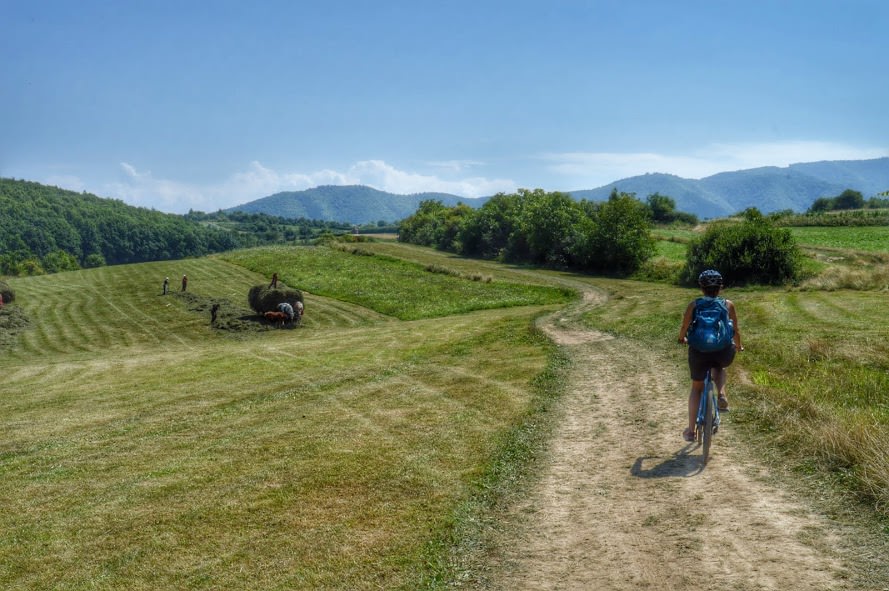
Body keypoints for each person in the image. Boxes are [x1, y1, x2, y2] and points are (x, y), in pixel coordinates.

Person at [677, 269, 743, 442]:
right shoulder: (728, 305)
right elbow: (735, 329)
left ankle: (691, 431)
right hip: (722, 350)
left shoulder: (694, 305)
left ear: (701, 288)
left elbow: (685, 326)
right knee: (719, 367)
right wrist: (739, 345)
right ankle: (721, 394)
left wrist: (681, 337)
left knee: (696, 388)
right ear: (720, 288)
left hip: (698, 351)